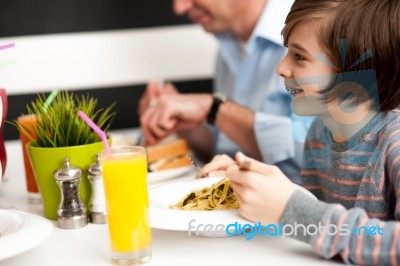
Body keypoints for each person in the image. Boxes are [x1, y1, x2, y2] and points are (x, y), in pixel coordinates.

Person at [199, 0, 400, 264]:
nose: (281, 68)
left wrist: (290, 210)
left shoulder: (393, 144)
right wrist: (243, 180)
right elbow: (310, 206)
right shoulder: (320, 133)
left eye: (299, 56)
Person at [139, 0, 314, 184]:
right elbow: (228, 149)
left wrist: (215, 108)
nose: (179, 7)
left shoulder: (319, 28)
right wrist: (189, 125)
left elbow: (317, 155)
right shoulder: (228, 43)